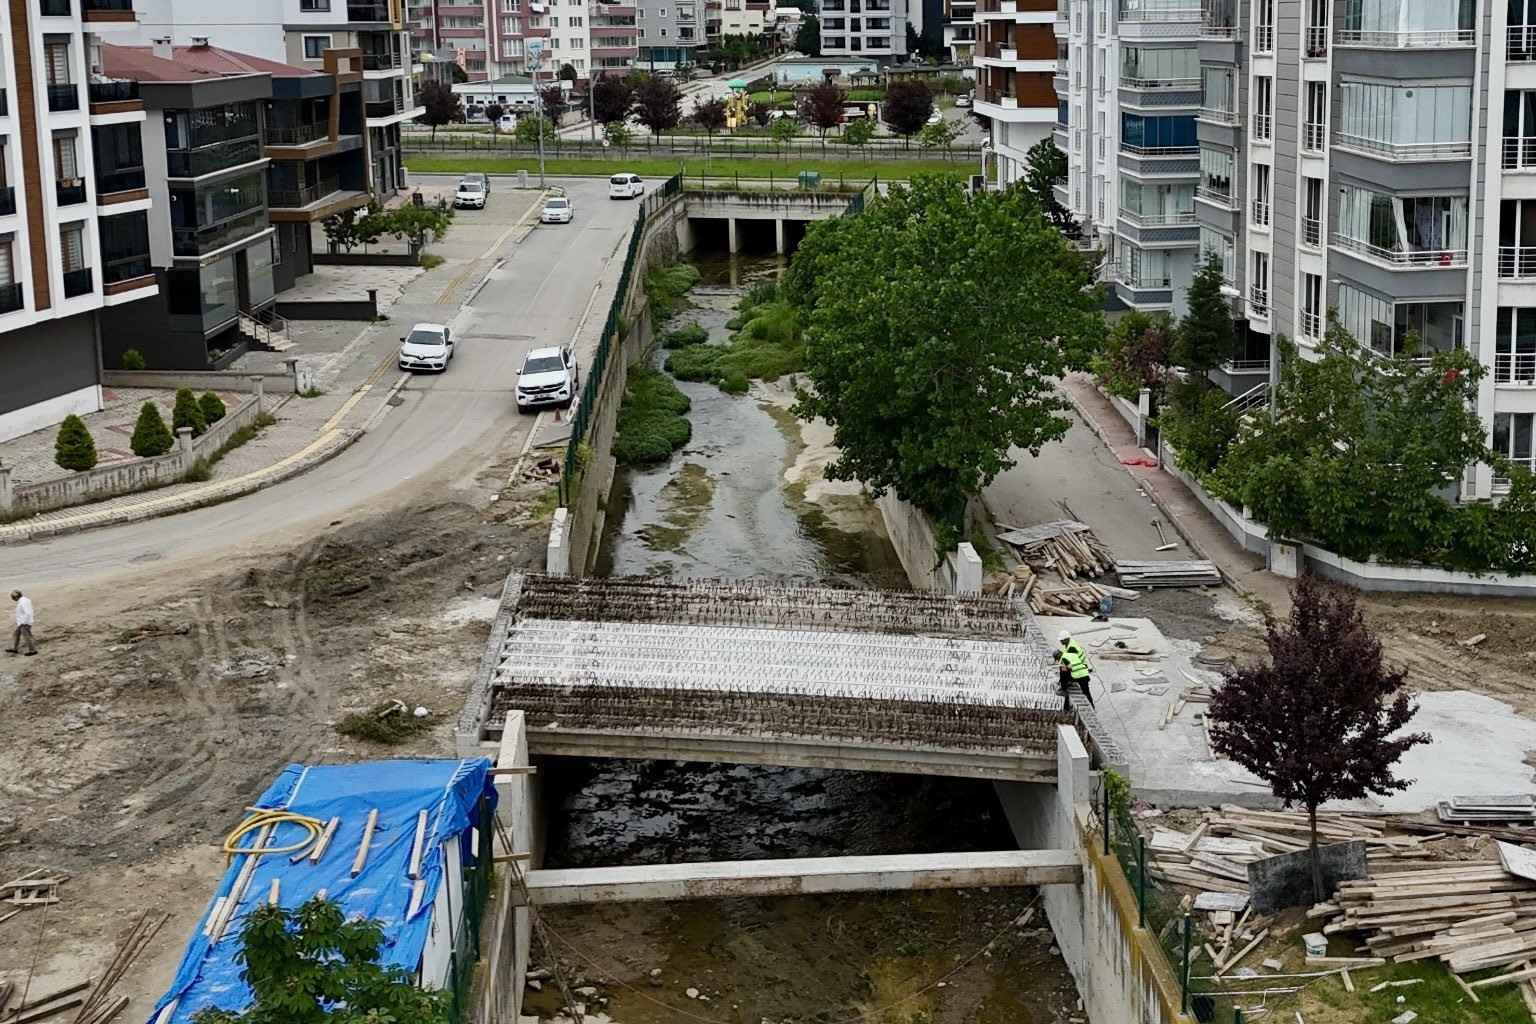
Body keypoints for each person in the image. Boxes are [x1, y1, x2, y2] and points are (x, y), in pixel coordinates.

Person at [1055, 628, 1093, 706]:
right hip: (1084, 671)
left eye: (1061, 640)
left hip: (1081, 667)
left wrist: (1063, 682)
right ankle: (1092, 705)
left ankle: (1064, 689)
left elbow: (1069, 667)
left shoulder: (1071, 648)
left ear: (1066, 639)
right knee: (1086, 691)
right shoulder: (1070, 643)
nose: (1060, 641)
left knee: (1063, 670)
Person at [8, 589, 37, 656]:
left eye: (13, 597)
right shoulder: (23, 600)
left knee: (27, 637)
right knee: (16, 635)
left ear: (16, 596)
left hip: (24, 623)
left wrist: (24, 622)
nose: (13, 599)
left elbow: (28, 613)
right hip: (22, 623)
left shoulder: (23, 602)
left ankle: (32, 650)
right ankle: (15, 648)